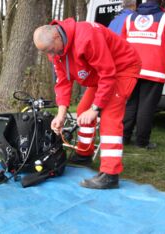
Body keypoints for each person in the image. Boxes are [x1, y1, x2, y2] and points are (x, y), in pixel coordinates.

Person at [33, 18, 141, 189]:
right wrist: (60, 115)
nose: (52, 56)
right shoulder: (57, 51)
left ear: (56, 36)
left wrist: (96, 108)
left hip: (121, 69)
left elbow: (108, 73)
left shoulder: (87, 37)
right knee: (83, 109)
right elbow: (63, 82)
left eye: (51, 51)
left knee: (110, 117)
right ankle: (84, 154)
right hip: (101, 74)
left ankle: (110, 174)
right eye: (47, 53)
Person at [121, 0, 165, 149]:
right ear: (161, 2)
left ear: (145, 0)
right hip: (154, 70)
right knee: (146, 107)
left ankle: (124, 137)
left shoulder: (130, 18)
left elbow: (121, 45)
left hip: (132, 69)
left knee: (131, 104)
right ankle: (142, 141)